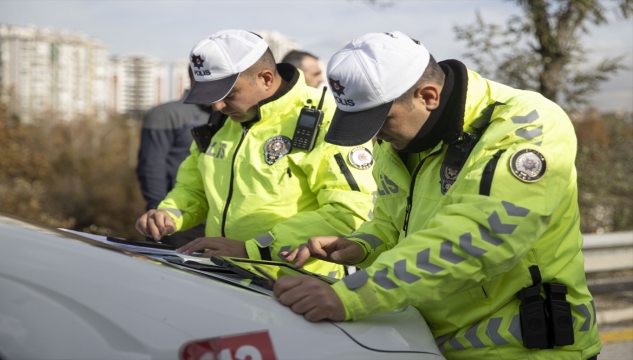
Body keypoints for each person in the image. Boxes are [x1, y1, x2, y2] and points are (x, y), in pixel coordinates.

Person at [274, 31, 601, 359]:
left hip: (531, 350)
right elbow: (394, 226)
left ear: (429, 96)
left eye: (379, 119)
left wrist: (352, 296)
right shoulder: (403, 142)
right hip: (428, 345)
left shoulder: (524, 124)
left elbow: (480, 236)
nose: (374, 135)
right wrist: (361, 246)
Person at [134, 29, 376, 278]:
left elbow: (349, 211)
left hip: (299, 284)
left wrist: (255, 249)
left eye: (228, 94)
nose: (217, 106)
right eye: (211, 96)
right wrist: (169, 214)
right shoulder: (220, 122)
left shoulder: (326, 119)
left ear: (266, 79)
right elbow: (194, 188)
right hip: (223, 273)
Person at [136, 66, 209, 247]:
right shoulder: (166, 114)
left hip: (218, 227)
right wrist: (159, 215)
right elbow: (151, 166)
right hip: (176, 224)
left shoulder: (232, 117)